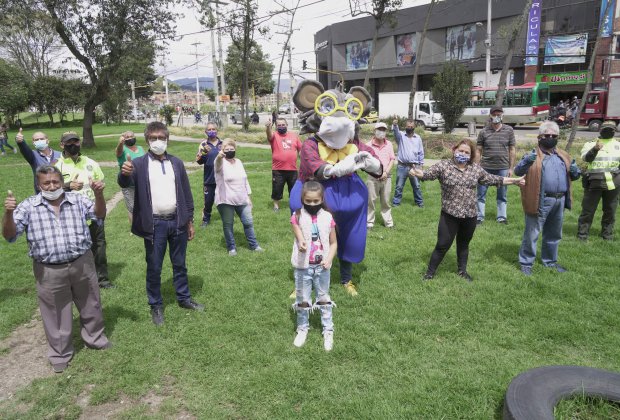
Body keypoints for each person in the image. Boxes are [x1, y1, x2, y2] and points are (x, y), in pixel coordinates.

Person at [2, 165, 112, 373]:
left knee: (91, 302)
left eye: (55, 181)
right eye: (46, 183)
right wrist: (8, 213)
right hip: (49, 270)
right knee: (54, 311)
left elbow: (99, 215)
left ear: (62, 182)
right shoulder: (28, 206)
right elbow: (10, 235)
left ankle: (95, 338)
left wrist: (99, 195)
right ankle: (60, 353)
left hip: (82, 262)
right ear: (38, 184)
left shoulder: (77, 200)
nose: (52, 186)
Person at [290, 80, 383, 297]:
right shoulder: (311, 145)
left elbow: (377, 167)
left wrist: (373, 164)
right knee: (311, 238)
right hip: (317, 196)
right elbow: (315, 167)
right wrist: (341, 168)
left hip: (350, 199)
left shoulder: (355, 144)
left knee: (350, 237)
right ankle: (303, 282)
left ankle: (346, 278)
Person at [411, 139, 524, 281]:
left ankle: (462, 271)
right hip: (449, 215)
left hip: (470, 215)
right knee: (442, 244)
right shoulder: (444, 166)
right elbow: (427, 174)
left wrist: (514, 180)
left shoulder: (475, 169)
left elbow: (493, 179)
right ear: (454, 150)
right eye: (460, 150)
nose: (463, 154)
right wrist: (418, 173)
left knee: (464, 244)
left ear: (470, 155)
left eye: (466, 152)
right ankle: (429, 273)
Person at [514, 121, 581, 276]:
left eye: (554, 136)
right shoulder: (533, 155)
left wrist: (575, 171)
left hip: (559, 200)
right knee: (532, 233)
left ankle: (550, 262)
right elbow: (518, 171)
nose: (550, 138)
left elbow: (574, 176)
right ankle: (526, 263)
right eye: (547, 135)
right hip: (540, 199)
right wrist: (526, 161)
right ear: (540, 137)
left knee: (554, 233)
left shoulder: (563, 155)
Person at [55, 132, 113, 289]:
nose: (73, 145)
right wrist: (67, 186)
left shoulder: (91, 162)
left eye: (76, 141)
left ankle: (103, 279)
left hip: (93, 212)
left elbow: (100, 181)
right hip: (71, 216)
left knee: (99, 246)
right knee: (76, 248)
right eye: (69, 142)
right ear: (62, 145)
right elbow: (51, 189)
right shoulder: (56, 167)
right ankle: (78, 280)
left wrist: (99, 187)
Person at [290, 181, 337, 351]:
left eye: (315, 201)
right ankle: (302, 328)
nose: (311, 204)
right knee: (302, 299)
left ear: (321, 199)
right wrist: (302, 243)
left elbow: (333, 244)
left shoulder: (328, 218)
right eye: (308, 201)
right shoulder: (297, 216)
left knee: (324, 297)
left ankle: (328, 329)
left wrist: (329, 259)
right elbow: (299, 236)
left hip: (322, 267)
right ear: (302, 199)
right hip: (303, 267)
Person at [214, 138, 263, 256]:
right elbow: (217, 164)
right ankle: (232, 248)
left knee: (248, 222)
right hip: (225, 200)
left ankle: (254, 245)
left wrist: (248, 196)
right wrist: (219, 157)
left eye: (232, 149)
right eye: (227, 149)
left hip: (242, 198)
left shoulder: (239, 162)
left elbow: (245, 180)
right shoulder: (220, 162)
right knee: (228, 224)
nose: (230, 151)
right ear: (222, 150)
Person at [577, 121, 620, 241]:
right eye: (606, 129)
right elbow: (586, 158)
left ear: (614, 131)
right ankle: (582, 235)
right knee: (588, 210)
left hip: (613, 183)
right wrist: (595, 149)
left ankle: (607, 235)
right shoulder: (590, 144)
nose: (608, 132)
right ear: (600, 130)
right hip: (594, 182)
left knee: (610, 211)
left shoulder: (618, 145)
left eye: (611, 130)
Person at [475, 106, 516, 225]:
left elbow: (512, 149)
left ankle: (502, 217)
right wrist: (476, 167)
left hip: (503, 168)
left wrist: (511, 168)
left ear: (502, 115)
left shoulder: (509, 130)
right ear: (490, 116)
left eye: (499, 114)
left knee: (502, 195)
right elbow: (478, 150)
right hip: (485, 167)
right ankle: (479, 217)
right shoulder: (483, 132)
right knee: (480, 194)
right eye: (494, 114)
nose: (496, 116)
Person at [265, 117, 302, 212]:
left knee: (294, 189)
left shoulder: (294, 136)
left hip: (292, 169)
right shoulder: (274, 136)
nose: (281, 126)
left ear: (287, 125)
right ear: (276, 127)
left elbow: (300, 150)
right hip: (278, 169)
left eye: (283, 125)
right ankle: (276, 206)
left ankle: (294, 205)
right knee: (277, 188)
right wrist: (268, 127)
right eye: (279, 125)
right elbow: (269, 135)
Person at [366, 122, 396, 228]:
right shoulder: (368, 145)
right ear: (374, 131)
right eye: (379, 129)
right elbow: (366, 163)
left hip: (386, 177)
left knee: (386, 201)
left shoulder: (389, 144)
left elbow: (392, 159)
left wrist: (385, 172)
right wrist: (376, 174)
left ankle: (388, 222)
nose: (381, 131)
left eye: (384, 129)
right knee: (371, 200)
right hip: (372, 177)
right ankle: (369, 222)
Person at [15, 128, 61, 192]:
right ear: (33, 143)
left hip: (59, 189)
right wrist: (21, 142)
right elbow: (25, 150)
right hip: (41, 191)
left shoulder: (59, 154)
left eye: (42, 139)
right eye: (36, 140)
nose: (39, 141)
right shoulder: (33, 156)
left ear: (47, 140)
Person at [391, 119, 424, 208]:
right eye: (408, 126)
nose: (409, 128)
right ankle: (396, 203)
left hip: (414, 166)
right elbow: (396, 132)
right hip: (402, 166)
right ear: (405, 127)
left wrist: (421, 166)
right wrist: (395, 124)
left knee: (416, 186)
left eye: (411, 127)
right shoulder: (401, 136)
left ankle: (420, 203)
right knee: (399, 186)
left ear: (414, 127)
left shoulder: (418, 138)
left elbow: (421, 152)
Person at [115, 131, 145, 224]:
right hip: (128, 183)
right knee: (132, 207)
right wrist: (120, 143)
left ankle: (144, 223)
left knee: (143, 204)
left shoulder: (140, 148)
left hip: (141, 181)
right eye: (127, 137)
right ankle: (134, 228)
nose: (130, 138)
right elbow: (118, 152)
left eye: (132, 136)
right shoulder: (122, 149)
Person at [196, 122, 222, 227]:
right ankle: (206, 219)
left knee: (224, 199)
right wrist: (203, 153)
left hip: (222, 177)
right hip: (209, 178)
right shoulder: (203, 144)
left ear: (217, 130)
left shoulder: (222, 143)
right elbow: (199, 161)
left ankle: (226, 217)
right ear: (206, 131)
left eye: (214, 129)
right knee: (208, 201)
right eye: (209, 129)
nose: (212, 131)